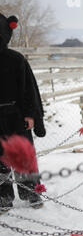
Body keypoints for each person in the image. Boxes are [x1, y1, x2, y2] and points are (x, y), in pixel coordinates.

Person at [0, 13, 46, 210]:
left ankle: (31, 192)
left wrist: (31, 114)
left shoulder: (16, 60)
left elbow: (29, 90)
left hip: (17, 116)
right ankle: (4, 197)